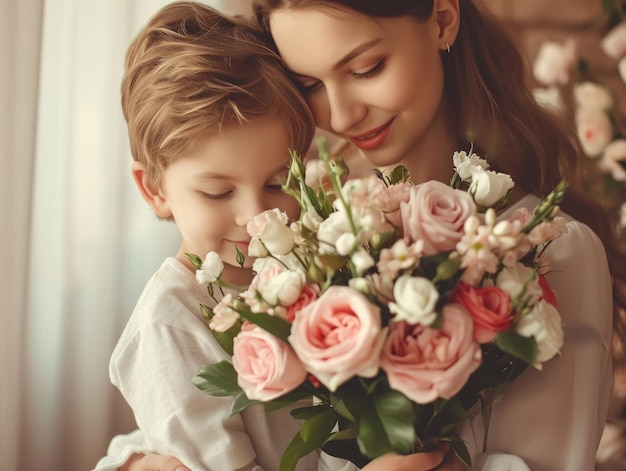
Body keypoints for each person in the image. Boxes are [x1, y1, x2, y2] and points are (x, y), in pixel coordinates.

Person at [114, 0, 626, 470]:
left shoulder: (549, 250)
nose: (340, 115)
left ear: (442, 19)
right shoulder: (308, 227)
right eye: (308, 84)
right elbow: (180, 410)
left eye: (366, 68)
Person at [92, 2, 454, 471]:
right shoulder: (170, 323)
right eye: (217, 192)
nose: (254, 217)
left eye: (278, 182)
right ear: (153, 189)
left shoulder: (311, 265)